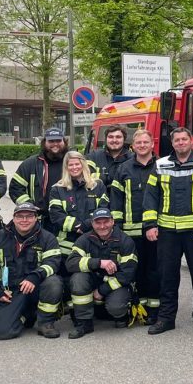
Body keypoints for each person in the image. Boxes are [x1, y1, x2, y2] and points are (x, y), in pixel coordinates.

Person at [143, 127, 193, 335]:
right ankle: (166, 319)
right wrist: (150, 225)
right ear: (173, 143)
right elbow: (151, 197)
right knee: (167, 276)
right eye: (177, 140)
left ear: (191, 141)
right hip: (167, 232)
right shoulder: (160, 164)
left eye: (185, 139)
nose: (181, 143)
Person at [0, 202, 64, 340]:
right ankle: (27, 315)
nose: (24, 220)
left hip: (36, 287)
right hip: (11, 291)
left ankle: (45, 322)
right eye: (20, 216)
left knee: (54, 282)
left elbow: (53, 263)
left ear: (36, 218)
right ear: (13, 218)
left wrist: (34, 277)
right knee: (2, 333)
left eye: (29, 216)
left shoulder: (47, 238)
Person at [109, 128, 159, 323]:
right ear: (133, 146)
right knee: (133, 271)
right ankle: (135, 307)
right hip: (130, 232)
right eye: (138, 143)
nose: (142, 146)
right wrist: (118, 228)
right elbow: (116, 200)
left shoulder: (161, 167)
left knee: (154, 271)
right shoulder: (123, 169)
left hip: (155, 230)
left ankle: (154, 310)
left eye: (146, 142)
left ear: (152, 144)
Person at [65, 208, 138, 338]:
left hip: (116, 284)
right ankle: (84, 323)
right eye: (98, 223)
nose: (102, 226)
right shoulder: (84, 240)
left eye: (106, 222)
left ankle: (121, 315)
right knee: (78, 278)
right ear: (92, 224)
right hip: (92, 281)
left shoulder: (125, 241)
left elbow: (128, 274)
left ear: (113, 222)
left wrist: (102, 291)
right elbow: (70, 263)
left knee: (116, 307)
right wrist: (98, 263)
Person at [48, 151, 109, 251]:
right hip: (67, 245)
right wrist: (78, 226)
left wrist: (87, 225)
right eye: (70, 165)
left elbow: (103, 209)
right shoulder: (57, 189)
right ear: (66, 167)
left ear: (83, 165)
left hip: (94, 240)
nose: (74, 167)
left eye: (77, 164)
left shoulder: (98, 186)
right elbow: (56, 215)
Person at [9, 127, 69, 228]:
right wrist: (29, 205)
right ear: (44, 142)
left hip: (67, 218)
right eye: (51, 141)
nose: (55, 144)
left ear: (64, 142)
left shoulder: (74, 163)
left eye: (58, 140)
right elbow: (15, 188)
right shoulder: (30, 164)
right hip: (40, 220)